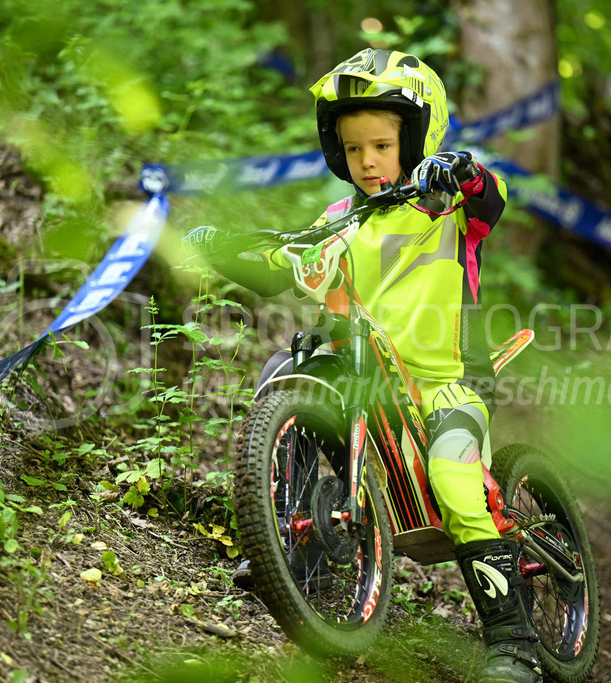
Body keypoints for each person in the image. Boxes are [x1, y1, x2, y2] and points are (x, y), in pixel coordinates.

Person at [182, 49, 541, 683]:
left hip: (446, 382)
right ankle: (287, 544)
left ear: (417, 137)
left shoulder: (447, 208)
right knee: (281, 370)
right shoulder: (335, 222)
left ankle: (512, 645)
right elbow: (279, 262)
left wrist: (461, 174)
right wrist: (226, 248)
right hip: (367, 379)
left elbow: (491, 196)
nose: (367, 161)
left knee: (456, 480)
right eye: (352, 149)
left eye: (381, 144)